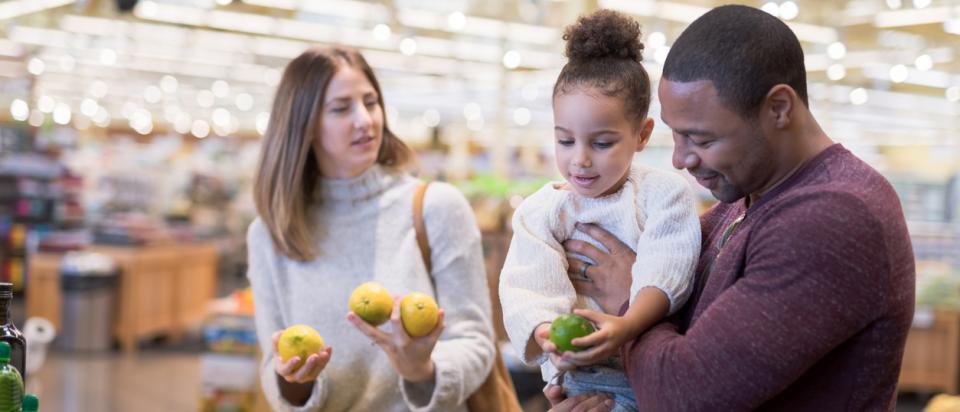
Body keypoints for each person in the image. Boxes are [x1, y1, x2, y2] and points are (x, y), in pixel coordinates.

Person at [550, 4, 916, 411]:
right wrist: (596, 375)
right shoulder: (742, 201)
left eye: (702, 140)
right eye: (675, 135)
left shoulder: (834, 217)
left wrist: (628, 298)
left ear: (779, 108)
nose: (680, 159)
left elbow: (685, 395)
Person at [246, 46, 495, 411]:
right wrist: (294, 380)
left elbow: (475, 340)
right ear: (305, 126)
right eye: (341, 108)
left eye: (371, 102)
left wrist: (422, 370)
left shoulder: (436, 208)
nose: (365, 120)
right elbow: (274, 367)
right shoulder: (271, 233)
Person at [498, 10, 700, 412]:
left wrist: (627, 324)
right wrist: (545, 335)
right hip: (575, 373)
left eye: (602, 143)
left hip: (643, 369)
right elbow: (527, 283)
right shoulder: (543, 209)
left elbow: (668, 268)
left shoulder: (663, 195)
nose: (581, 160)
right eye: (565, 140)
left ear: (641, 135)